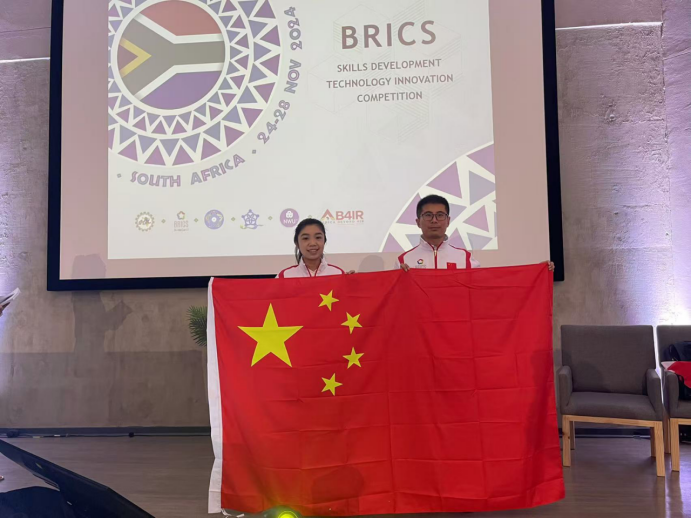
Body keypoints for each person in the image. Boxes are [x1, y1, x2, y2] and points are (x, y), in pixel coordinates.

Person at [398, 194, 555, 272]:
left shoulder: (465, 258)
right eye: (428, 215)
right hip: (419, 325)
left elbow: (492, 286)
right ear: (418, 222)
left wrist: (537, 271)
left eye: (440, 215)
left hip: (456, 324)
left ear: (448, 220)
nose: (434, 220)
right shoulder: (404, 261)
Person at [277, 218, 350, 278]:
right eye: (305, 238)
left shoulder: (338, 274)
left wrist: (352, 281)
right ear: (297, 243)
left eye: (318, 237)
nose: (312, 243)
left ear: (324, 241)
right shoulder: (284, 276)